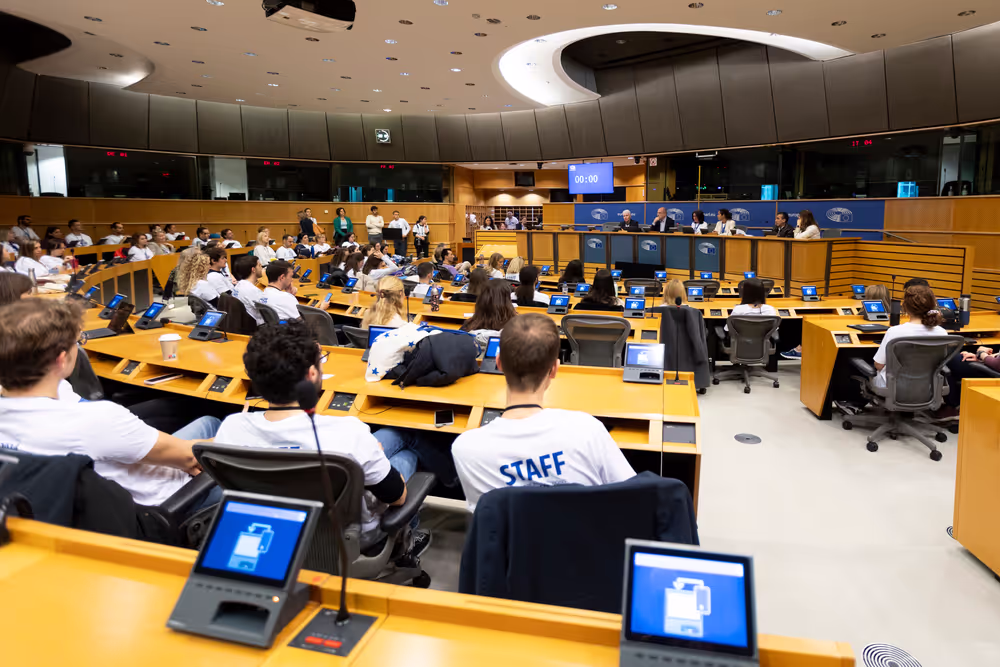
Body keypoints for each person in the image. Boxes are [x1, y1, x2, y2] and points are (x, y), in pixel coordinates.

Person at [214, 320, 429, 550]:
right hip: (346, 542)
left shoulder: (231, 428)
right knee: (407, 456)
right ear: (312, 374)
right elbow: (398, 497)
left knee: (392, 437)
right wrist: (378, 459)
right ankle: (405, 546)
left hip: (267, 531)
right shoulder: (349, 433)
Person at [0, 299, 221, 507]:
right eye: (77, 342)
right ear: (61, 359)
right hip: (166, 503)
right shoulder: (97, 419)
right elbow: (189, 456)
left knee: (208, 423)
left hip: (63, 508)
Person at [451, 313, 636, 510]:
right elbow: (633, 498)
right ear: (554, 368)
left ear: (499, 363)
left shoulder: (465, 449)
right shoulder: (588, 431)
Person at [871, 285, 946, 389]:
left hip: (894, 388)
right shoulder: (942, 333)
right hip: (928, 388)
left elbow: (879, 365)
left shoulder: (894, 332)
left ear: (905, 307)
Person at [231, 254, 265, 324]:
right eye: (259, 265)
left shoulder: (238, 286)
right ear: (253, 270)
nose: (262, 267)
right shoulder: (252, 290)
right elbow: (269, 310)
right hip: (258, 325)